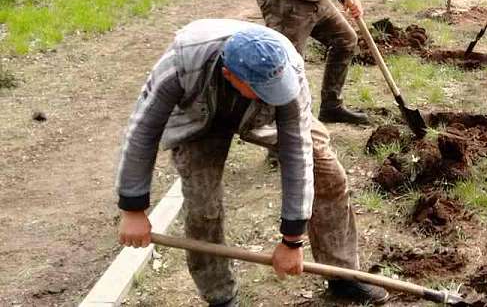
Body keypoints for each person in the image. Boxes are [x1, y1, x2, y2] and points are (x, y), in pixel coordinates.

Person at [115, 20, 388, 305]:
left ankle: (342, 275)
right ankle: (220, 296)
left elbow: (298, 149)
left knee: (328, 173)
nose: (276, 95)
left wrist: (292, 239)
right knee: (202, 206)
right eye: (265, 89)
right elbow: (142, 130)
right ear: (229, 75)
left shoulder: (287, 72)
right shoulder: (181, 62)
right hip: (197, 117)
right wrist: (133, 208)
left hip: (259, 115)